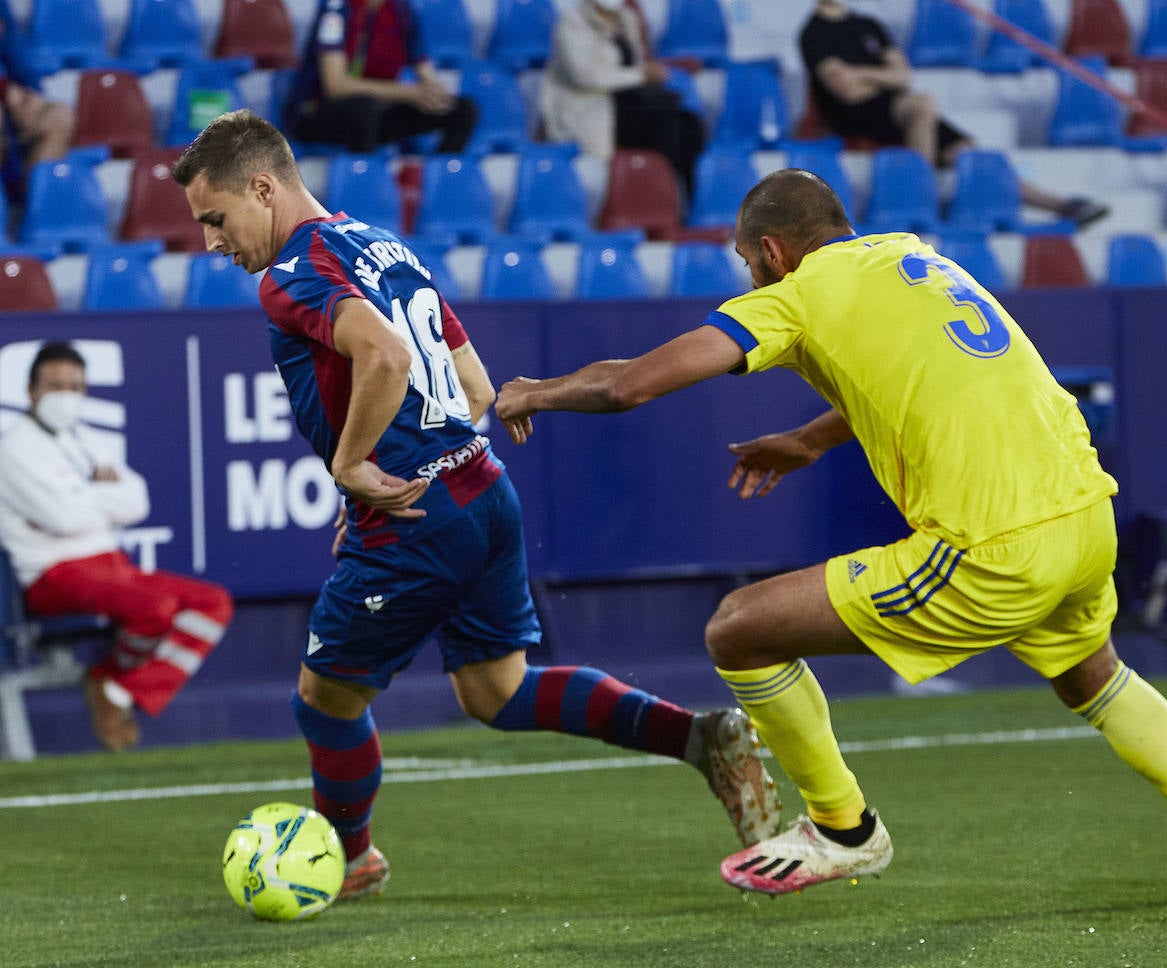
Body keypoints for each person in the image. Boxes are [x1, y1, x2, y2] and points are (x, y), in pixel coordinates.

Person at [492, 168, 1167, 899]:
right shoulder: (917, 261)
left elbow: (633, 384)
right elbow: (920, 375)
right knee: (1096, 677)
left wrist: (536, 390)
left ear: (772, 252)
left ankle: (844, 829)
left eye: (746, 262)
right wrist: (807, 441)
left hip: (994, 543)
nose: (748, 276)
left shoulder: (796, 294)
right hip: (1085, 516)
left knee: (739, 630)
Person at [170, 109, 779, 901]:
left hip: (418, 520)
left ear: (262, 187)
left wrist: (355, 466)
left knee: (325, 698)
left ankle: (350, 860)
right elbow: (478, 388)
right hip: (485, 492)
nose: (213, 243)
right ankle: (701, 737)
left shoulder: (290, 274)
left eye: (215, 219)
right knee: (497, 692)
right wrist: (408, 462)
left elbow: (384, 355)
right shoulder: (379, 242)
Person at [0, 342, 233, 752]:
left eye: (75, 386)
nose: (65, 395)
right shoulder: (13, 447)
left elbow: (137, 501)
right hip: (52, 573)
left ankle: (118, 687)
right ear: (30, 390)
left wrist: (79, 496)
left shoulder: (85, 438)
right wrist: (100, 495)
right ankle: (110, 683)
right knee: (154, 609)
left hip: (112, 566)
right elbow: (64, 519)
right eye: (55, 385)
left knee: (212, 603)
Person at [800, 0, 1108, 229]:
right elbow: (845, 90)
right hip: (852, 115)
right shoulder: (814, 33)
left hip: (895, 110)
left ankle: (1061, 204)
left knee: (971, 155)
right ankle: (920, 195)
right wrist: (881, 75)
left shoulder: (868, 25)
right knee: (922, 104)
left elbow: (902, 76)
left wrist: (860, 74)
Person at [541, 0, 705, 196]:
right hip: (592, 108)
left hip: (628, 102)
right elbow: (586, 76)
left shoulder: (627, 19)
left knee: (689, 124)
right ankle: (660, 197)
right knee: (666, 126)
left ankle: (688, 199)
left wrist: (650, 73)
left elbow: (634, 64)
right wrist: (642, 74)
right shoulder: (572, 23)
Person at [282, 0, 477, 155]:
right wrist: (410, 93)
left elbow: (425, 73)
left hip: (375, 112)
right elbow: (335, 85)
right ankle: (361, 182)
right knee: (365, 108)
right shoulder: (336, 9)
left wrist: (434, 94)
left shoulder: (402, 11)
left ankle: (440, 183)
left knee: (462, 109)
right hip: (319, 112)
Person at [0, 0, 73, 205]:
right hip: (6, 99)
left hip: (12, 100)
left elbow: (14, 51)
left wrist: (31, 93)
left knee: (58, 117)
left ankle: (34, 212)